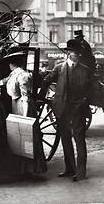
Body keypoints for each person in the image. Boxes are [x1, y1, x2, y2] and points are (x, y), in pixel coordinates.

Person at [38, 39, 92, 182]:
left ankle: (81, 172)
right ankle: (70, 169)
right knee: (65, 139)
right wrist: (39, 98)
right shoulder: (59, 67)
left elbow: (89, 90)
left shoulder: (85, 69)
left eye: (79, 53)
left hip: (78, 109)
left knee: (79, 139)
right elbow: (46, 81)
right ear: (69, 53)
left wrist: (84, 101)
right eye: (75, 53)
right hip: (61, 108)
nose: (78, 55)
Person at [0, 48, 47, 176]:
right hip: (15, 104)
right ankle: (21, 167)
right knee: (19, 137)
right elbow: (2, 82)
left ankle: (30, 168)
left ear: (13, 63)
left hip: (24, 106)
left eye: (9, 62)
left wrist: (25, 117)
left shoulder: (23, 75)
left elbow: (26, 97)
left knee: (26, 136)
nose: (8, 64)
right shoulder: (13, 74)